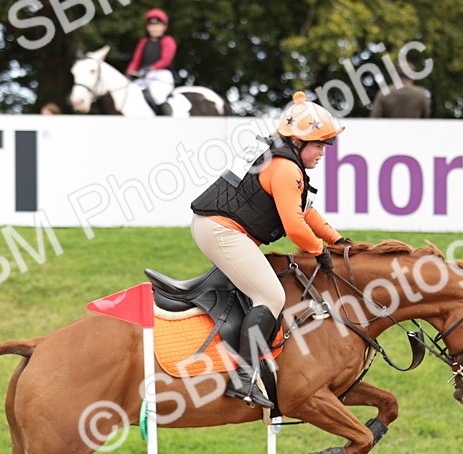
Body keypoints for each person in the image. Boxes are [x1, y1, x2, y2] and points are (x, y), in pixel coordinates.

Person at [190, 91, 349, 408]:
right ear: (299, 142)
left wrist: (337, 240)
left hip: (218, 227)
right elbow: (294, 227)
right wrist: (319, 251)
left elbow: (306, 212)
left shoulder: (285, 161)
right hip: (222, 230)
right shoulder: (286, 169)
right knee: (272, 296)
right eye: (319, 145)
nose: (323, 153)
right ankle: (243, 378)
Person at [126, 8, 176, 116]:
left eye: (157, 25)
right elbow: (136, 60)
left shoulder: (168, 41)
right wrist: (130, 72)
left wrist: (151, 68)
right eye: (151, 25)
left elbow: (165, 60)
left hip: (161, 76)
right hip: (143, 76)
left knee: (157, 95)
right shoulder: (143, 42)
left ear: (164, 27)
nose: (154, 28)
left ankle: (166, 119)